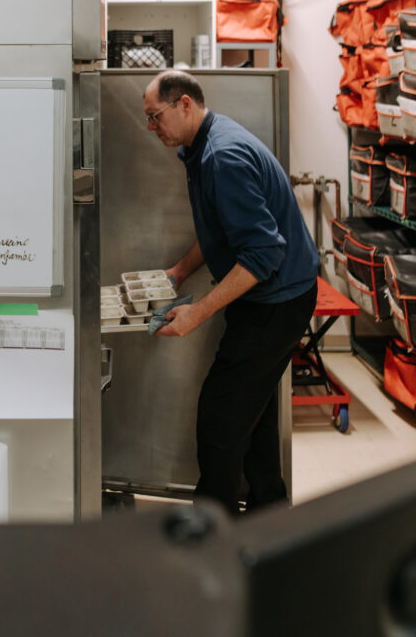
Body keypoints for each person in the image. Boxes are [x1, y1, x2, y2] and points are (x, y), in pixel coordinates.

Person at [144, 70, 318, 516]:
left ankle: (211, 531)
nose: (151, 126)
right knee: (252, 416)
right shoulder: (201, 147)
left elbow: (263, 253)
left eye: (155, 116)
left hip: (277, 302)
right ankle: (269, 516)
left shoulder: (222, 156)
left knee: (220, 420)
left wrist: (196, 313)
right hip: (270, 297)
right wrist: (179, 272)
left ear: (184, 104)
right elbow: (222, 227)